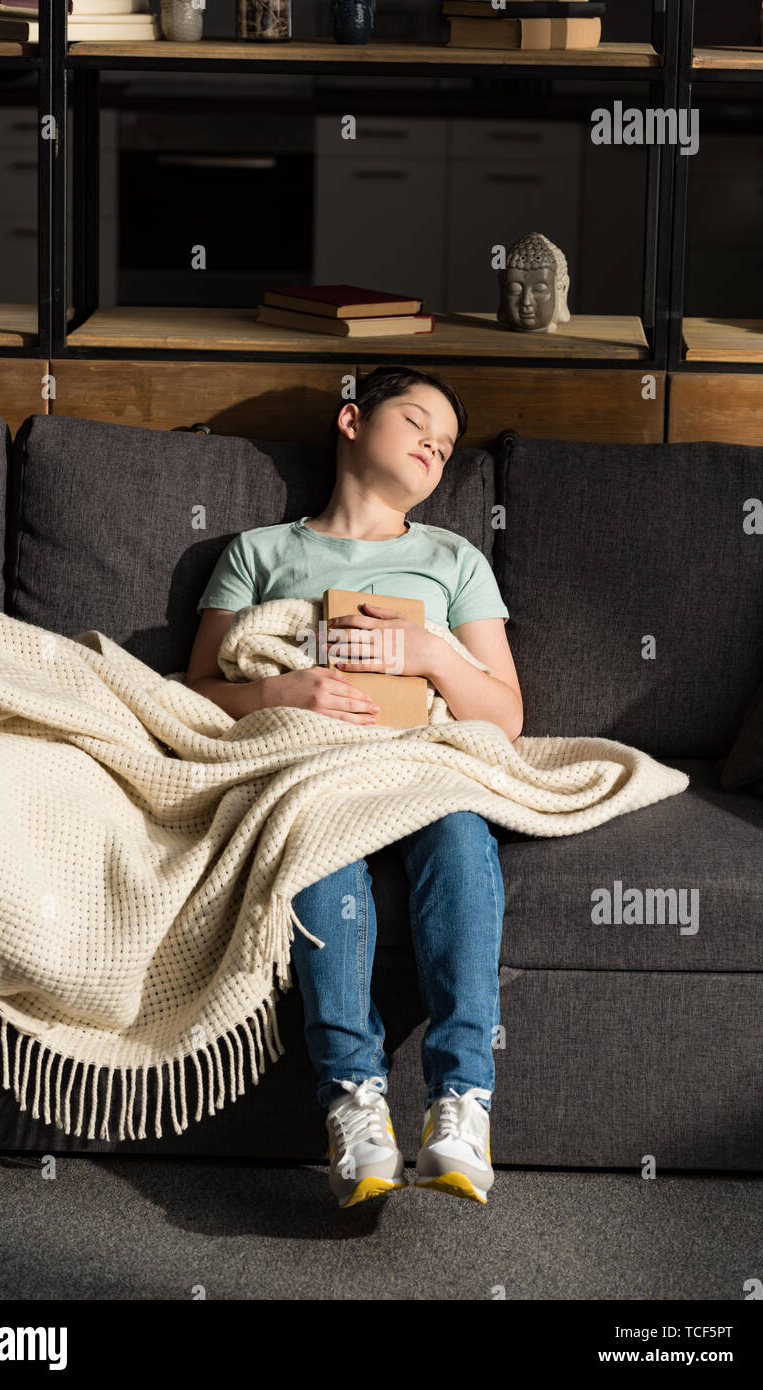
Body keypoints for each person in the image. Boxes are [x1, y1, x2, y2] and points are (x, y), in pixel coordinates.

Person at [184, 366, 523, 1209]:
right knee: (320, 844)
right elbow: (190, 691)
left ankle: (460, 1103)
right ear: (349, 422)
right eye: (417, 422)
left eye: (445, 447)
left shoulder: (452, 558)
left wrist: (436, 655)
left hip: (424, 758)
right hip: (311, 762)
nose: (432, 447)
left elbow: (506, 716)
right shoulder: (260, 553)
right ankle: (355, 1102)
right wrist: (277, 690)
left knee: (456, 831)